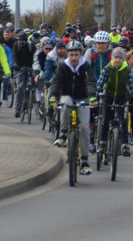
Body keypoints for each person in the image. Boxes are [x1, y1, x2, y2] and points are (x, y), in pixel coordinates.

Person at [49, 41, 97, 175]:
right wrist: (53, 96)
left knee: (84, 128)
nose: (74, 58)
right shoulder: (62, 66)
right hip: (67, 95)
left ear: (81, 54)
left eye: (76, 54)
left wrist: (92, 97)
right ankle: (63, 134)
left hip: (83, 98)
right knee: (65, 104)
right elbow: (56, 82)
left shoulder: (85, 66)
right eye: (71, 55)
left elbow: (90, 82)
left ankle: (85, 161)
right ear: (67, 54)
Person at [96, 47, 133, 157]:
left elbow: (131, 85)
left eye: (120, 58)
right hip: (108, 95)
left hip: (121, 96)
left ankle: (124, 145)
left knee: (123, 121)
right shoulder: (107, 68)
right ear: (112, 58)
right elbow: (100, 83)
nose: (117, 60)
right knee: (105, 119)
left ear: (123, 59)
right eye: (115, 58)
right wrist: (96, 95)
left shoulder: (127, 70)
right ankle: (102, 143)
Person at [12, 31, 35, 118]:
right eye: (19, 40)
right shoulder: (16, 45)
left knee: (33, 84)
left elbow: (35, 57)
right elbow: (14, 56)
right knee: (20, 87)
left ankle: (30, 99)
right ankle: (17, 108)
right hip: (20, 67)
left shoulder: (31, 46)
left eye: (22, 40)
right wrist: (15, 64)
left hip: (30, 66)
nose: (20, 42)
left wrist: (34, 67)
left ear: (25, 40)